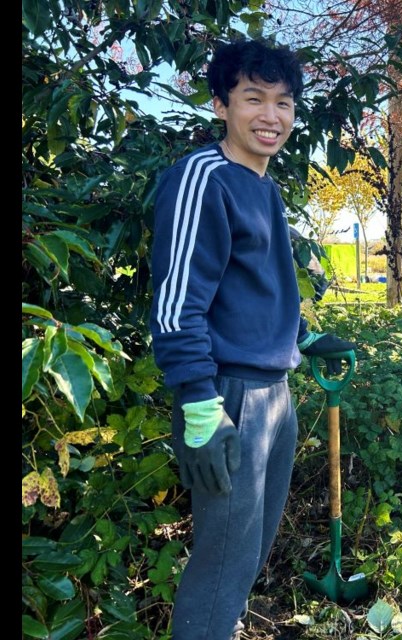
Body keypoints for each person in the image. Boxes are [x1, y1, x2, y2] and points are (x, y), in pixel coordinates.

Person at [149, 39, 355, 640]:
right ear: (220, 104)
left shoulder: (264, 188)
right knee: (221, 564)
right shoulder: (201, 178)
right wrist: (197, 403)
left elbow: (259, 287)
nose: (272, 116)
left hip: (276, 395)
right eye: (253, 99)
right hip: (227, 398)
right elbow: (176, 303)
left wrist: (304, 336)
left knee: (250, 553)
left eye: (284, 103)